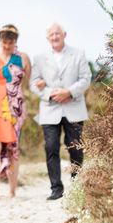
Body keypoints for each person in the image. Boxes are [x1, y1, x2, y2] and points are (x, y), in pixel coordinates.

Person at [29, 23, 91, 200]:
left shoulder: (78, 54)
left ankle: (77, 183)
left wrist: (69, 92)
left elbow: (86, 78)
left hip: (74, 107)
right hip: (50, 109)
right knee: (51, 147)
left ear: (64, 35)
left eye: (58, 33)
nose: (55, 37)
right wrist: (50, 93)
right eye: (51, 34)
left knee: (76, 147)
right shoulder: (40, 58)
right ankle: (56, 188)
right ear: (47, 38)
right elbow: (34, 83)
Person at [0, 24, 31, 200]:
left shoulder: (23, 58)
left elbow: (26, 84)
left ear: (15, 42)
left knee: (12, 147)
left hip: (14, 105)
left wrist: (21, 105)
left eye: (10, 42)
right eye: (4, 41)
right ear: (0, 40)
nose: (7, 45)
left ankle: (12, 189)